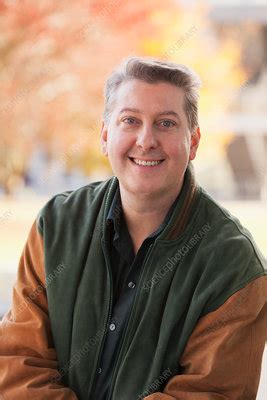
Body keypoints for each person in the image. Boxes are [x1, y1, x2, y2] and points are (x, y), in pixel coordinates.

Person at [0, 56, 266, 400]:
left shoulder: (235, 265)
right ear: (105, 135)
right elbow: (17, 360)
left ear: (194, 141)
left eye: (166, 123)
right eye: (130, 120)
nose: (146, 140)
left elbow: (210, 392)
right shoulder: (56, 225)